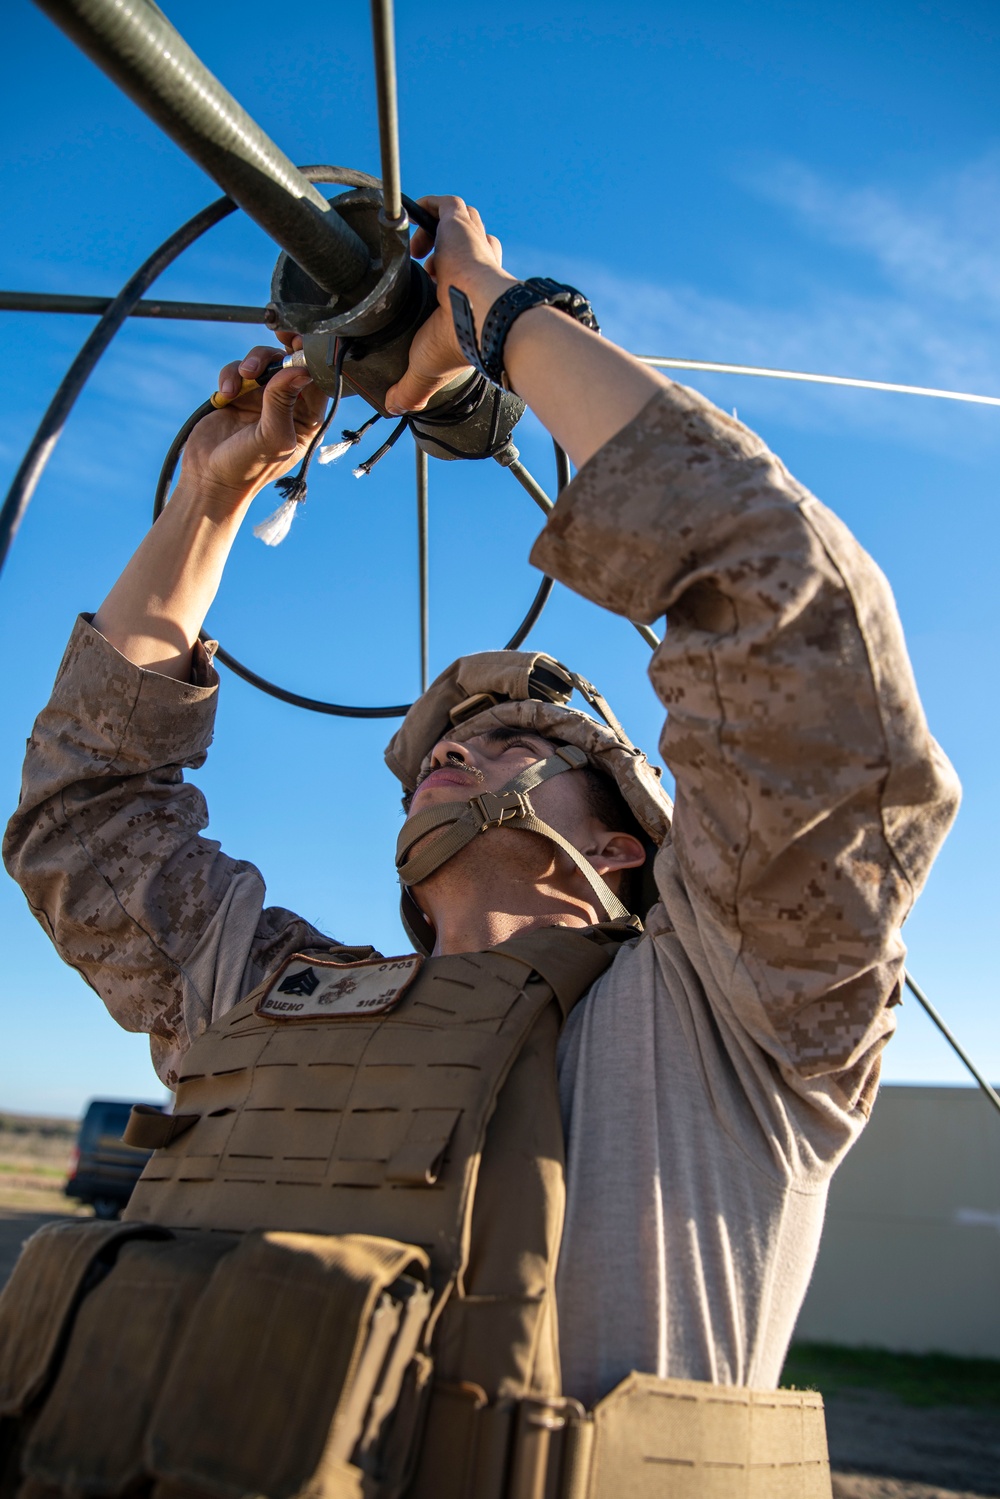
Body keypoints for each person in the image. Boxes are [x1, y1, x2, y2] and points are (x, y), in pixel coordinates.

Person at [3, 196, 958, 1440]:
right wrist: (212, 497)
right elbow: (88, 817)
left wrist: (499, 319)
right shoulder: (264, 996)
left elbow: (799, 637)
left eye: (519, 741)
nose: (453, 742)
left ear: (622, 841)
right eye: (442, 748)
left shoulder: (737, 1014)